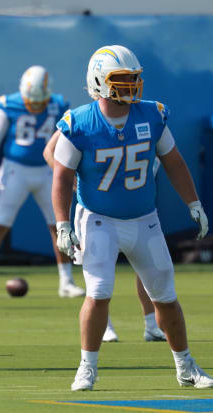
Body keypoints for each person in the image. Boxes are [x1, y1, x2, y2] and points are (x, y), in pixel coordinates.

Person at [52, 45, 212, 391]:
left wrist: (194, 203)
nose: (130, 86)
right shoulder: (79, 122)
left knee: (165, 296)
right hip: (98, 220)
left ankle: (185, 367)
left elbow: (173, 161)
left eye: (133, 78)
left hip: (145, 219)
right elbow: (62, 176)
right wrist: (63, 223)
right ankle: (87, 368)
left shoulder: (152, 114)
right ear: (99, 81)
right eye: (121, 79)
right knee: (98, 293)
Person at [0, 66, 84, 298]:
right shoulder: (8, 104)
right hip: (15, 170)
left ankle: (66, 281)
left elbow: (71, 140)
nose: (35, 106)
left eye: (40, 101)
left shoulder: (59, 104)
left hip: (47, 170)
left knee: (58, 225)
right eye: (31, 101)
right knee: (1, 224)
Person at [44, 126, 166, 343]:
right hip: (98, 210)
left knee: (146, 267)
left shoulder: (147, 115)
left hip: (137, 204)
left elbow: (172, 157)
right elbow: (49, 151)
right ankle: (105, 325)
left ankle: (151, 324)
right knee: (99, 272)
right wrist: (72, 180)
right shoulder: (84, 121)